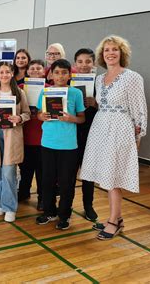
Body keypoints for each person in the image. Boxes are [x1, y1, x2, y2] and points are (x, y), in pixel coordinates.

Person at [80, 36, 147, 240]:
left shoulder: (132, 77)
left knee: (114, 178)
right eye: (107, 50)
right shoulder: (99, 79)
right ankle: (116, 218)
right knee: (106, 176)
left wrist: (138, 138)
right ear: (102, 54)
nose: (110, 53)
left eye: (115, 50)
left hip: (120, 131)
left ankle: (113, 222)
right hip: (101, 129)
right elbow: (104, 105)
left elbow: (139, 110)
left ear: (122, 53)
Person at [36, 59, 85, 231]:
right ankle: (49, 211)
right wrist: (42, 116)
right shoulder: (45, 91)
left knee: (66, 183)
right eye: (57, 72)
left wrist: (71, 119)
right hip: (48, 143)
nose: (60, 76)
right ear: (51, 74)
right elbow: (39, 113)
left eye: (64, 72)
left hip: (68, 146)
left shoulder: (76, 94)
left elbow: (82, 118)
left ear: (69, 75)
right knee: (47, 180)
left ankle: (64, 214)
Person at [0, 62, 31, 222]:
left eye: (7, 72)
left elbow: (27, 113)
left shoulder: (19, 93)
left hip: (12, 136)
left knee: (9, 173)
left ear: (12, 74)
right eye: (1, 72)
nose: (4, 75)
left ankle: (10, 207)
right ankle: (0, 204)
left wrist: (19, 118)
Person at [74, 48, 98, 221]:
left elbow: (109, 109)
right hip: (71, 133)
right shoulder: (69, 82)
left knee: (88, 173)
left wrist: (96, 104)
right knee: (68, 172)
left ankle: (88, 205)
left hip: (92, 133)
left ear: (94, 64)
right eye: (80, 62)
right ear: (75, 64)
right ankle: (65, 204)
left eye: (87, 61)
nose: (84, 65)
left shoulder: (100, 83)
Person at [19, 59, 46, 210]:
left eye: (38, 68)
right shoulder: (20, 88)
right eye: (32, 68)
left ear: (44, 71)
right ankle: (24, 192)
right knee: (25, 169)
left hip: (44, 137)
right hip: (25, 136)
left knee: (42, 172)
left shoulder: (49, 89)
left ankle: (42, 198)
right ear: (27, 71)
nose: (35, 70)